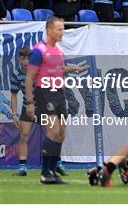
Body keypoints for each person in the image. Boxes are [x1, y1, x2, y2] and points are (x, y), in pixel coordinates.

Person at [24, 17, 68, 184]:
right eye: (59, 29)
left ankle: (52, 171)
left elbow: (59, 70)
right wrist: (30, 102)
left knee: (61, 133)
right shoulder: (38, 51)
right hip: (44, 94)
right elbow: (29, 78)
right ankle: (45, 173)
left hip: (59, 94)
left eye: (63, 29)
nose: (62, 32)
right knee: (53, 131)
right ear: (49, 30)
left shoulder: (59, 50)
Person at [10, 47, 33, 176]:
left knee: (52, 136)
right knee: (23, 135)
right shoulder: (16, 75)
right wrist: (14, 114)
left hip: (44, 106)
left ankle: (57, 164)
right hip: (27, 107)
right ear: (19, 59)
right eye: (23, 58)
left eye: (28, 58)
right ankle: (23, 167)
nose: (26, 61)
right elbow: (13, 95)